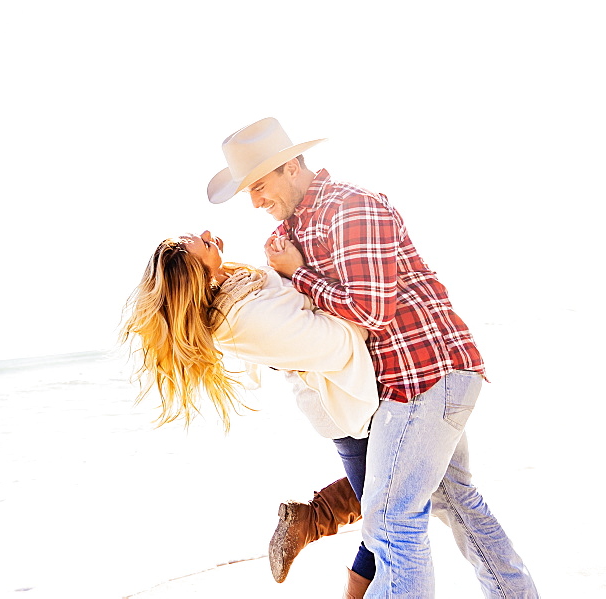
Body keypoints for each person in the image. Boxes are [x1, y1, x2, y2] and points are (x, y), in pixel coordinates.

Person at [207, 117, 539, 598]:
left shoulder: (348, 207)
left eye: (259, 186)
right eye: (249, 193)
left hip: (424, 372)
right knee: (456, 503)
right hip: (417, 378)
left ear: (292, 165)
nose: (256, 201)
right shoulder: (295, 229)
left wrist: (299, 273)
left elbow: (371, 310)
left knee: (390, 519)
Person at [121, 230, 378, 597]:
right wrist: (302, 272)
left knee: (391, 501)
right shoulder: (241, 318)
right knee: (386, 514)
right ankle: (314, 520)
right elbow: (336, 344)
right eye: (204, 244)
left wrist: (286, 267)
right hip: (347, 406)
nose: (210, 234)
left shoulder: (240, 283)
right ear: (197, 272)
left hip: (353, 395)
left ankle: (312, 518)